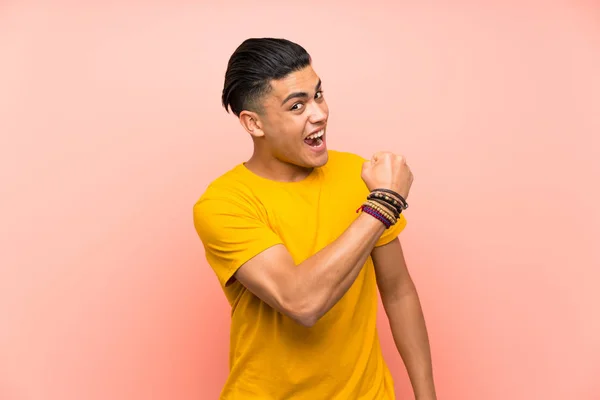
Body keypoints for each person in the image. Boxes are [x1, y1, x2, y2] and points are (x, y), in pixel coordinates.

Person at [193, 37, 437, 400]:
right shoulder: (224, 204)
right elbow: (302, 303)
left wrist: (426, 396)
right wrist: (383, 203)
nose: (319, 113)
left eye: (318, 95)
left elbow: (399, 292)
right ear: (254, 124)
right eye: (297, 106)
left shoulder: (358, 175)